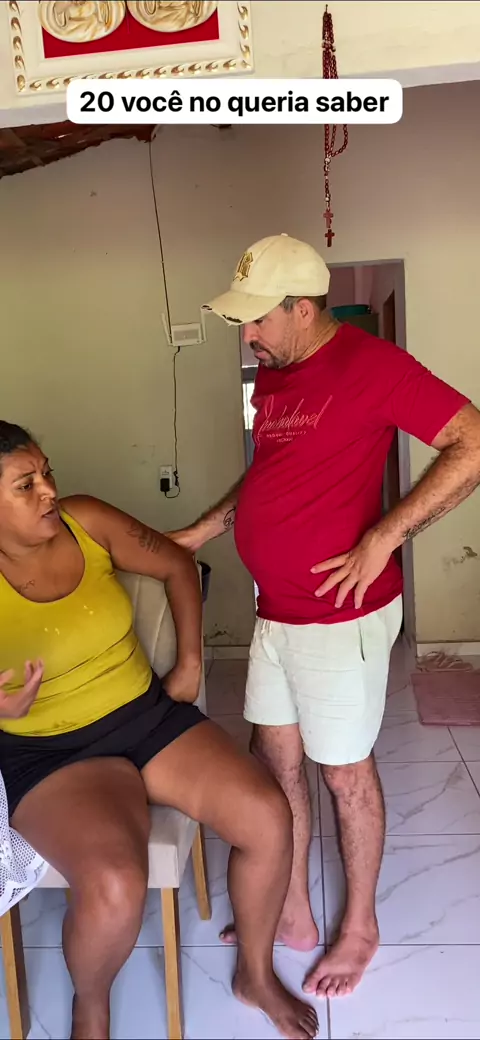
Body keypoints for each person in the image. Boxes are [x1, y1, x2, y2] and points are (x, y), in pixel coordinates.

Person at [169, 233, 480, 1001]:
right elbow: (269, 473)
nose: (247, 334)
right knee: (274, 761)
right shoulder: (277, 377)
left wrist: (385, 535)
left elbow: (470, 443)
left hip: (340, 617)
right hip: (275, 613)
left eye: (257, 319)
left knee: (342, 772)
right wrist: (203, 531)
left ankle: (361, 925)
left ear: (301, 309)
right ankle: (294, 910)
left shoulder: (373, 366)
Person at [0, 420, 319, 1040]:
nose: (48, 491)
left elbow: (175, 563)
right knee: (115, 883)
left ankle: (255, 974)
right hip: (52, 753)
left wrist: (192, 663)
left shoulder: (85, 520)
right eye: (25, 484)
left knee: (266, 815)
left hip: (146, 717)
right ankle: (91, 1007)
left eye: (47, 472)